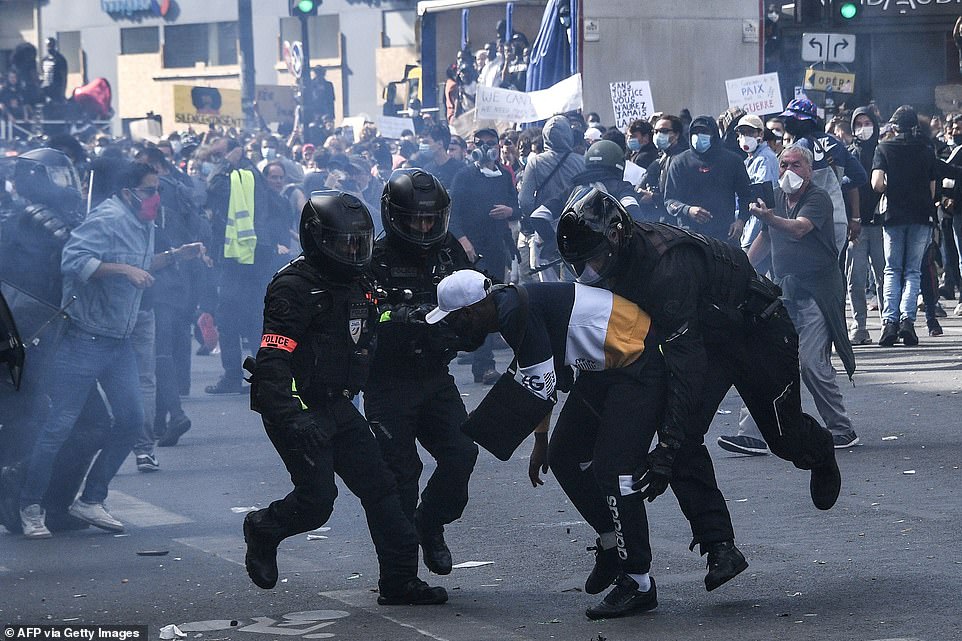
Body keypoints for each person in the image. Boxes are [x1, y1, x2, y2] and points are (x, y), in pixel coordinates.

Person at [426, 268, 745, 619]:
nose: (455, 330)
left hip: (638, 362)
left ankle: (637, 582)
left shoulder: (514, 312)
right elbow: (542, 373)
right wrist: (542, 441)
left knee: (616, 469)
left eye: (455, 321)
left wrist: (511, 432)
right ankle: (612, 544)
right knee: (564, 456)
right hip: (604, 369)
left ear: (469, 312)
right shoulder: (508, 305)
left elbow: (539, 383)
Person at [556, 187, 843, 518]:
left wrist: (665, 446)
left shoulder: (665, 268)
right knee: (683, 440)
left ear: (616, 236)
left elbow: (684, 362)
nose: (589, 272)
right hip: (709, 340)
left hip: (758, 333)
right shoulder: (615, 261)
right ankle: (718, 544)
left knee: (784, 439)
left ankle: (821, 450)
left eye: (594, 260)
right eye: (580, 265)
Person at [242, 191, 447, 606]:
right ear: (317, 239)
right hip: (299, 407)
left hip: (340, 403)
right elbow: (273, 362)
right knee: (318, 502)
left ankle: (399, 581)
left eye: (360, 243)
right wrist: (294, 419)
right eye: (345, 244)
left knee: (384, 489)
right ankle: (263, 528)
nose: (354, 253)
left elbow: (383, 314)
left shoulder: (362, 277)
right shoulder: (292, 288)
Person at [18, 162, 159, 538]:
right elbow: (74, 261)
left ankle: (91, 498)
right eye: (149, 191)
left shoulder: (144, 224)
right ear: (129, 193)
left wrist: (178, 256)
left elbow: (141, 268)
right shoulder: (107, 218)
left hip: (119, 340)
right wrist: (122, 270)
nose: (155, 198)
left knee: (131, 421)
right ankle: (30, 506)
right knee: (59, 428)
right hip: (83, 339)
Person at [364, 169, 478, 576]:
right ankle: (400, 576)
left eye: (431, 219)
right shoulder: (372, 258)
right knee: (400, 475)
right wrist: (399, 317)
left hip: (434, 375)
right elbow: (358, 317)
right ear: (395, 217)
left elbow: (477, 300)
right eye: (416, 220)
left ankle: (429, 524)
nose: (425, 227)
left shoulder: (450, 252)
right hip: (388, 381)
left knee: (463, 452)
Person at [723, 145, 858, 451]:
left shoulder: (817, 197)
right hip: (783, 293)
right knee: (763, 359)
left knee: (811, 363)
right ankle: (753, 434)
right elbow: (766, 239)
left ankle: (841, 428)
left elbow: (798, 230)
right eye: (784, 164)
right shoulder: (775, 198)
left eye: (796, 165)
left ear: (809, 170)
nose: (789, 171)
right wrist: (739, 268)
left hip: (816, 293)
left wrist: (767, 218)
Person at [205, 140, 289, 394]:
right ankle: (249, 377)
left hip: (244, 262)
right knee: (245, 322)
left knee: (240, 321)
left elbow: (213, 184)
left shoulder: (242, 180)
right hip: (245, 261)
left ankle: (242, 376)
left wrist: (226, 162)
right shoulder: (251, 183)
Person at [448, 128, 519, 384]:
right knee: (480, 303)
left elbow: (517, 207)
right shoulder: (465, 175)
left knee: (494, 302)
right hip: (472, 249)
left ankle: (483, 361)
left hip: (496, 248)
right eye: (482, 143)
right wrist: (464, 241)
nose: (487, 147)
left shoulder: (502, 175)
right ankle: (484, 363)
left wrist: (509, 210)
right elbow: (452, 215)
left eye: (491, 143)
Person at [873, 105, 938, 346]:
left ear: (894, 125)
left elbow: (877, 184)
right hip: (921, 215)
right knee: (913, 271)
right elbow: (932, 191)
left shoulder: (884, 148)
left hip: (894, 216)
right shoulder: (927, 150)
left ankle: (889, 323)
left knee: (892, 269)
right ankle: (908, 322)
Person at [664, 115, 753, 243]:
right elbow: (669, 200)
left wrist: (741, 221)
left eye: (704, 132)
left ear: (714, 135)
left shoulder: (732, 161)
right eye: (695, 132)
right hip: (690, 236)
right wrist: (688, 210)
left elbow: (747, 196)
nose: (699, 136)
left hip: (725, 235)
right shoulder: (679, 162)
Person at [517, 116, 584, 281]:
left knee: (547, 285)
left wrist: (535, 218)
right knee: (574, 283)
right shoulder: (582, 162)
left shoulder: (535, 163)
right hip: (575, 230)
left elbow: (525, 200)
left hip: (544, 230)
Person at [846, 107, 885, 345]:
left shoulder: (884, 151)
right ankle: (859, 325)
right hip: (856, 227)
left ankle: (887, 323)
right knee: (856, 278)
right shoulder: (849, 154)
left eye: (867, 122)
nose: (863, 128)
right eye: (858, 124)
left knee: (884, 277)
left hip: (881, 224)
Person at [40, 37, 68, 104]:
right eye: (47, 45)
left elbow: (64, 77)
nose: (49, 47)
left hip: (57, 89)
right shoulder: (44, 60)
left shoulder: (60, 59)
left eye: (50, 45)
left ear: (54, 45)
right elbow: (43, 74)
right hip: (46, 90)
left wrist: (62, 93)